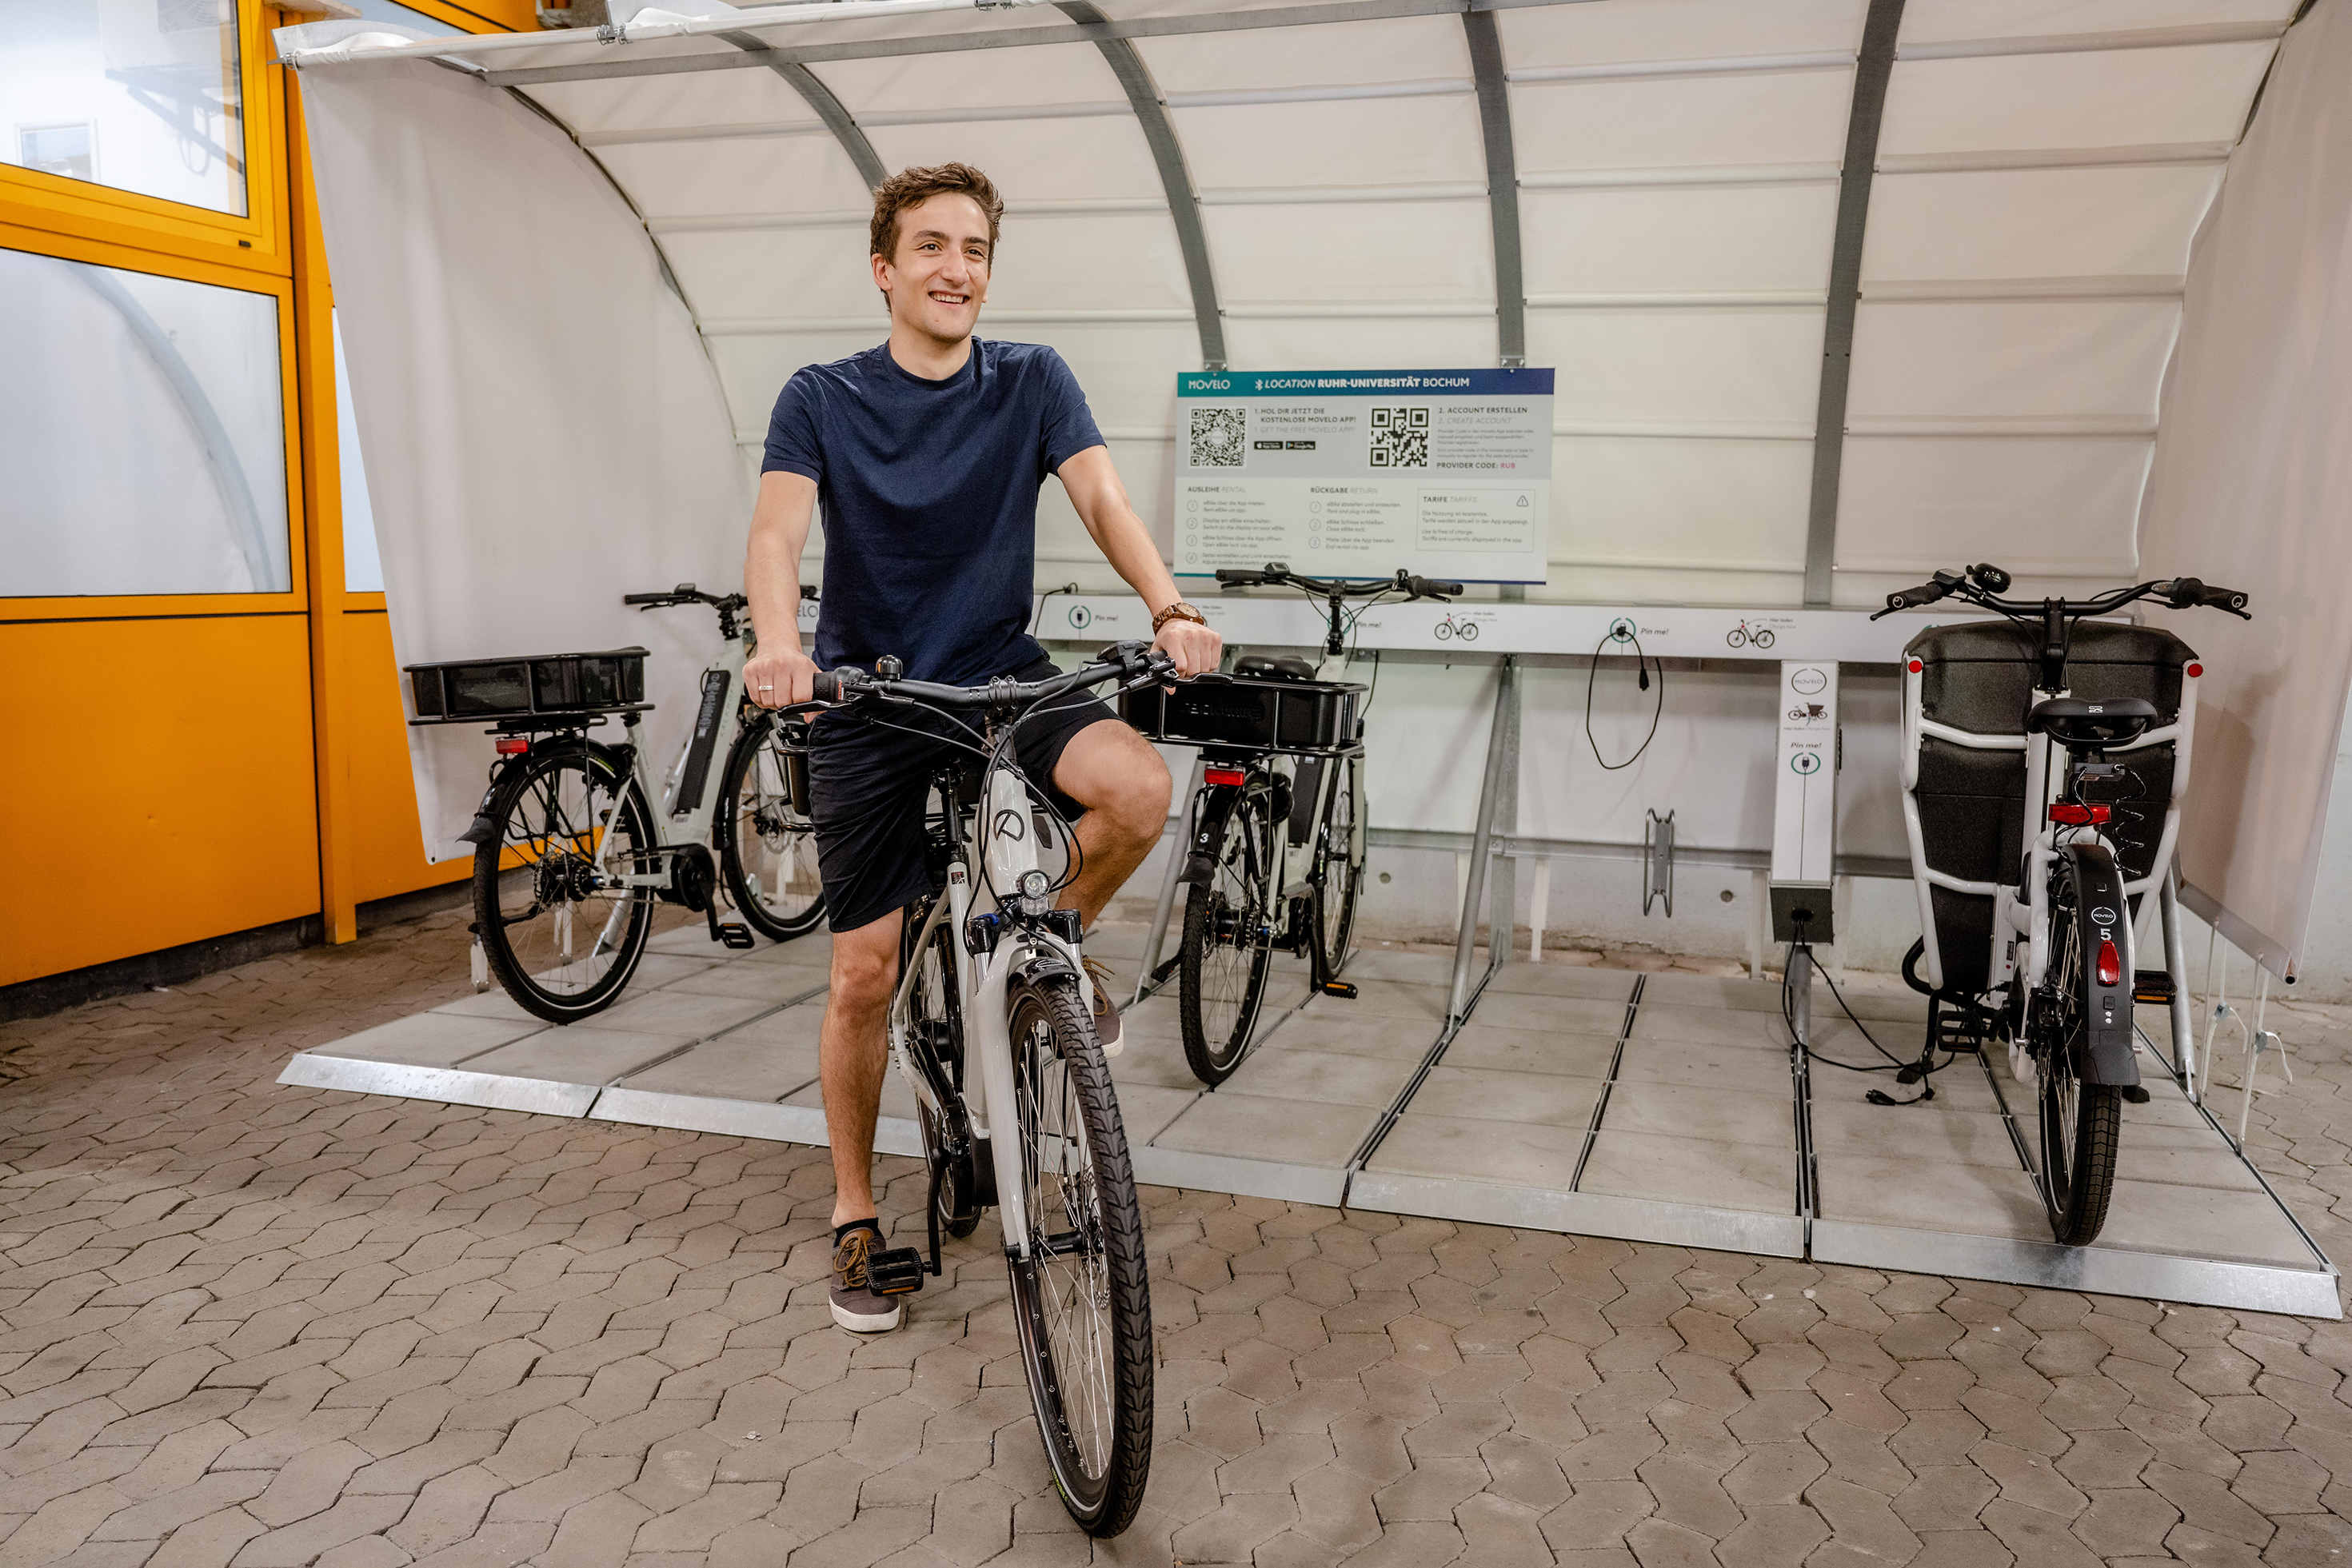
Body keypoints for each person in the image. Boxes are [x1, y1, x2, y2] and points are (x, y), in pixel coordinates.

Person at [741, 162, 1223, 1334]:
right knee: (862, 969)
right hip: (870, 696)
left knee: (1139, 789)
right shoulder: (822, 395)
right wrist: (777, 642)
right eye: (931, 248)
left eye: (974, 250)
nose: (957, 269)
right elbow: (774, 527)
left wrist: (1168, 607)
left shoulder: (1032, 380)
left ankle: (1046, 943)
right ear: (884, 269)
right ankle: (856, 1210)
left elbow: (1103, 499)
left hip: (1003, 674)